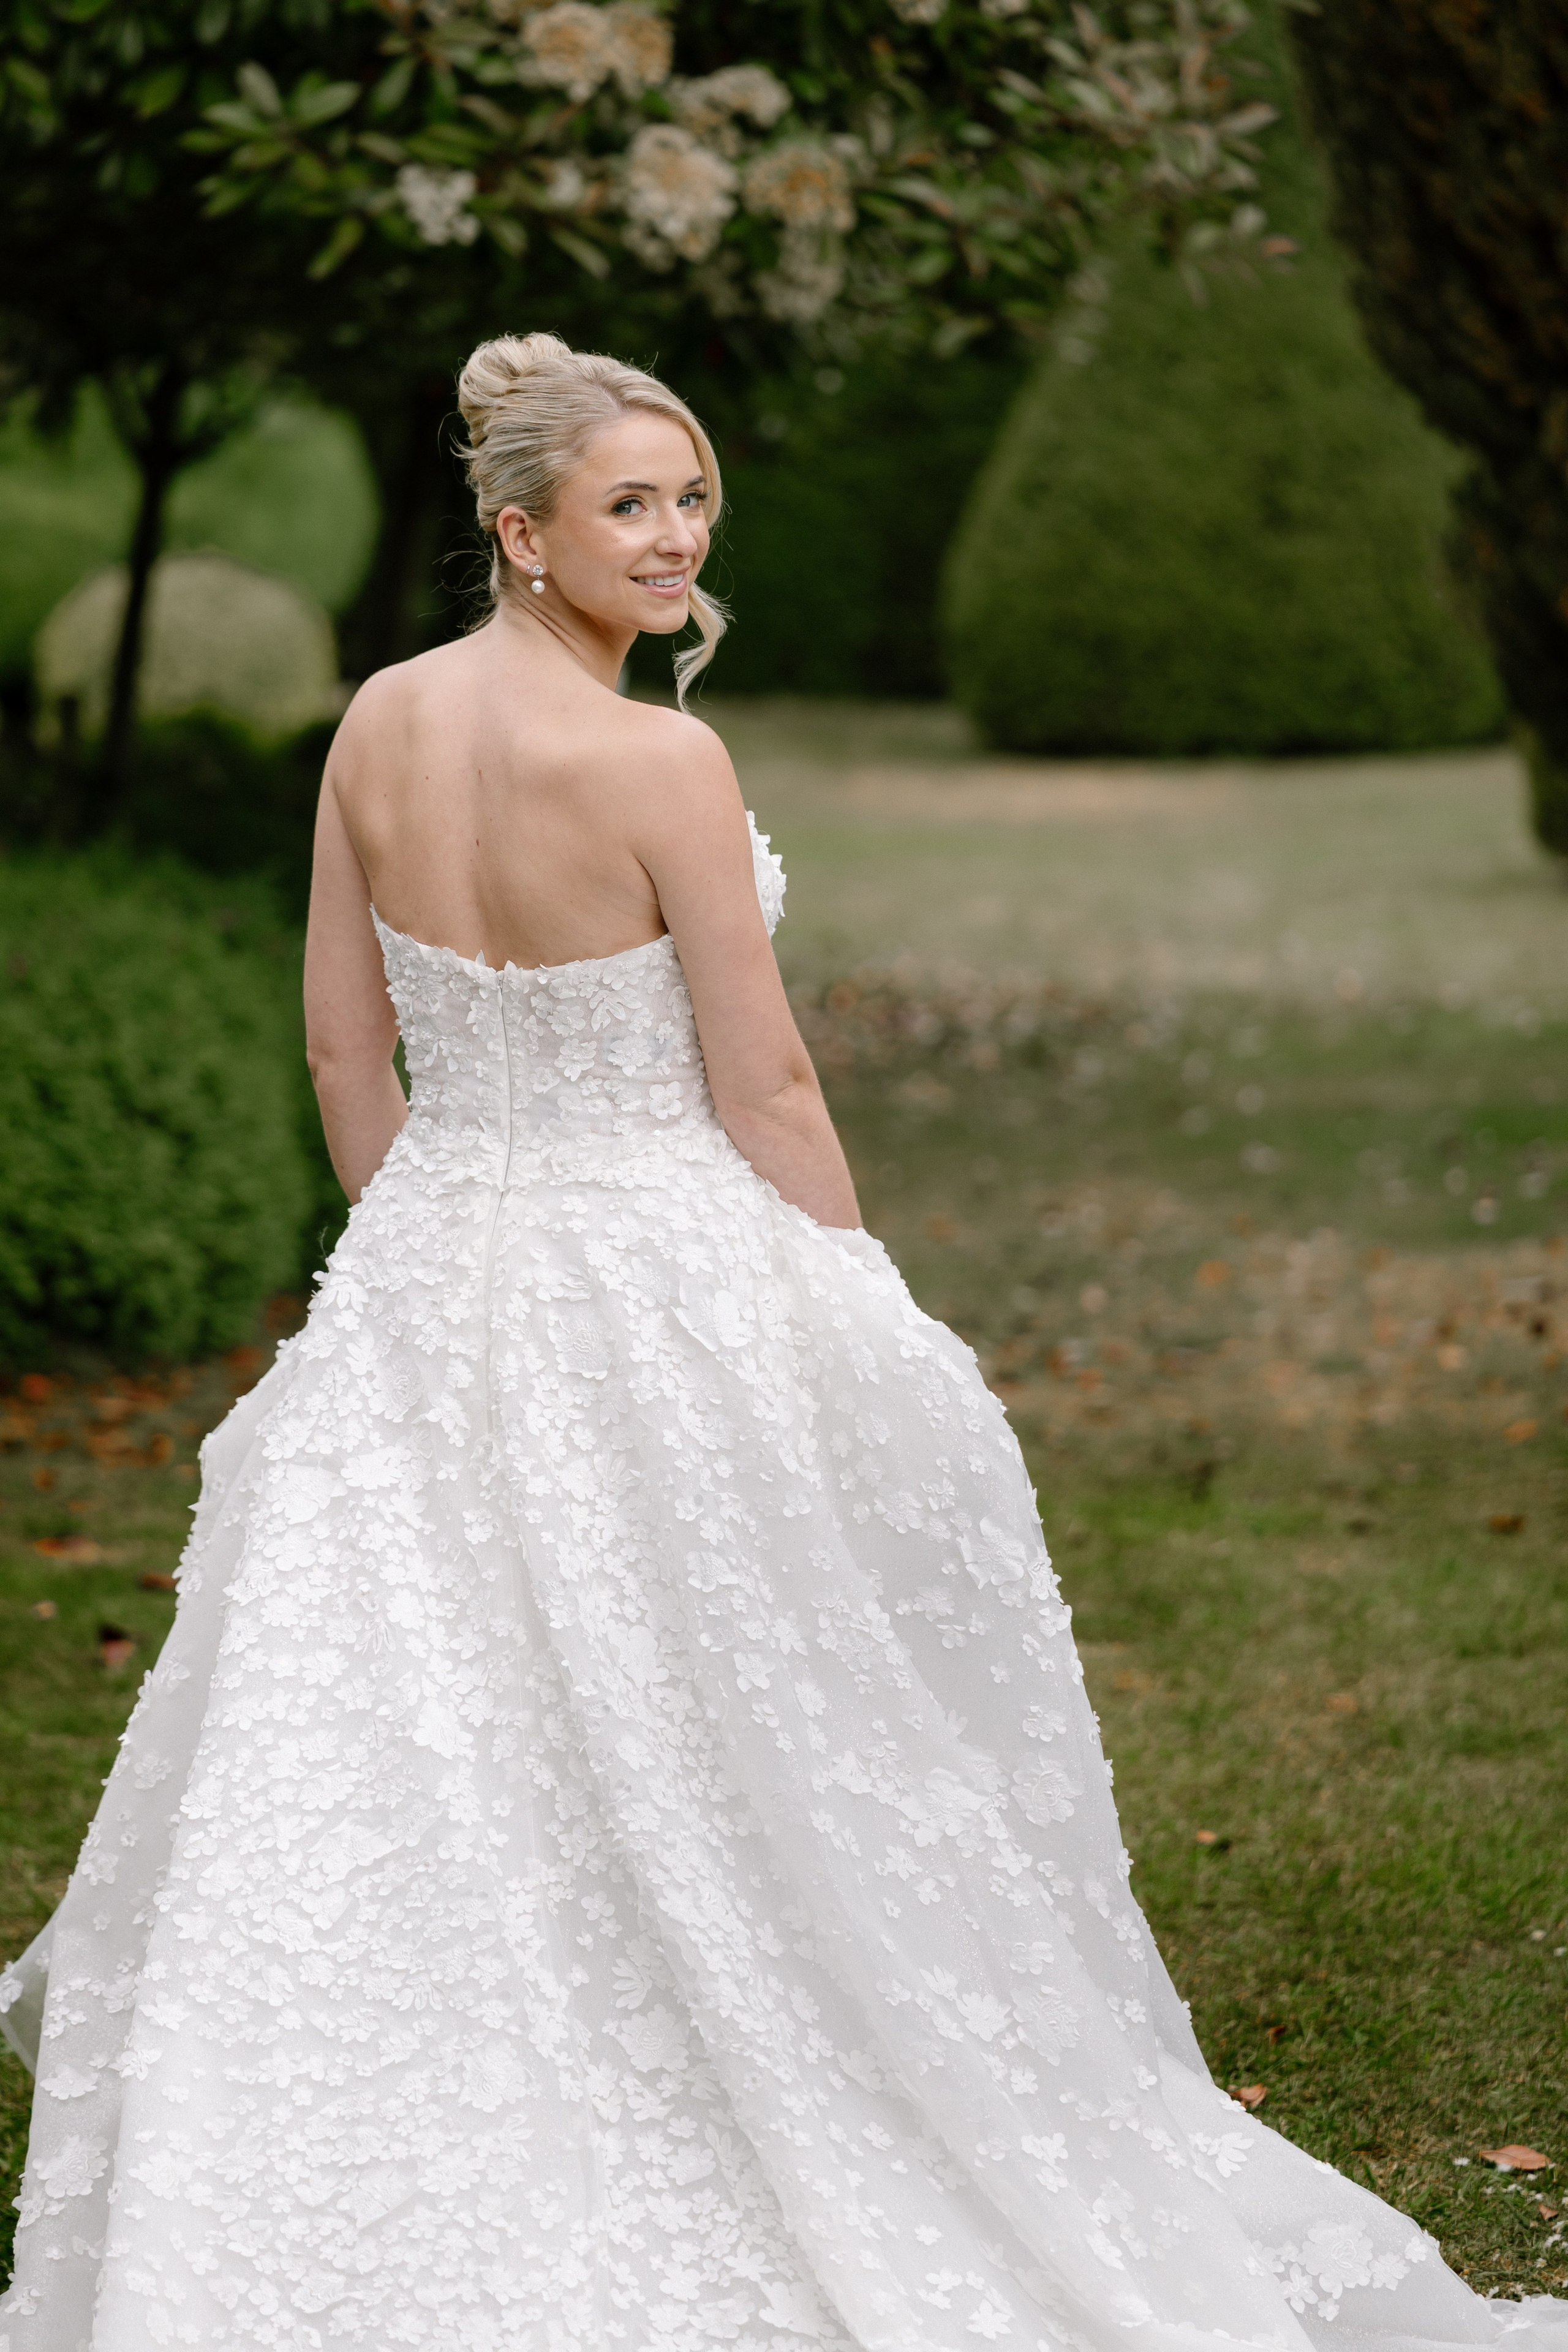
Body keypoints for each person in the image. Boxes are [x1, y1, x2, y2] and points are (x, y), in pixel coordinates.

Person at [1, 332, 1562, 2352]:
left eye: (690, 498)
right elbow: (770, 1088)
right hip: (657, 1267)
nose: (674, 536)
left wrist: (412, 1254)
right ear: (520, 529)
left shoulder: (375, 724)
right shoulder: (664, 761)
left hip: (423, 1270)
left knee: (442, 1722)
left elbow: (338, 1040)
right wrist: (856, 1315)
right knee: (716, 1709)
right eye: (629, 504)